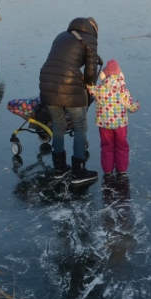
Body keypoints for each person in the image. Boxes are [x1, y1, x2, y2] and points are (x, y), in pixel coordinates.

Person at [39, 17, 100, 187]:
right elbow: (91, 72)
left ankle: (59, 169)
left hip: (47, 82)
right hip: (70, 86)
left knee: (59, 124)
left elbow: (59, 61)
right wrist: (89, 85)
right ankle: (79, 172)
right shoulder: (90, 39)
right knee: (80, 126)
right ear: (93, 28)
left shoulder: (61, 36)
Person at [87, 59, 140, 179]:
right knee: (121, 146)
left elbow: (90, 88)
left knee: (107, 147)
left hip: (105, 125)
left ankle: (108, 171)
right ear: (120, 75)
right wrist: (136, 106)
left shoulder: (100, 89)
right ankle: (122, 170)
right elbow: (131, 108)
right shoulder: (124, 91)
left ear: (104, 75)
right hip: (121, 125)